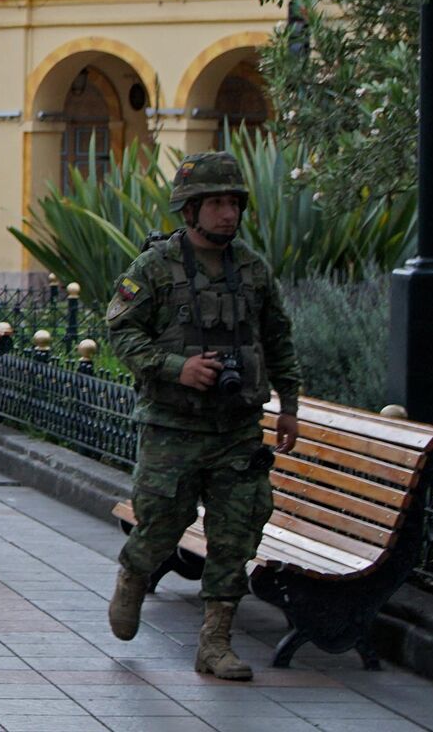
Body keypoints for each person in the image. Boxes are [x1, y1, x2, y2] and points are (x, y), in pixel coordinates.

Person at [106, 151, 300, 681]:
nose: (228, 213)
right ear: (190, 210)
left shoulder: (254, 271)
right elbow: (121, 332)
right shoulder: (154, 269)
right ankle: (134, 572)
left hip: (237, 429)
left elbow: (279, 340)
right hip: (173, 429)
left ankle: (214, 643)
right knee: (162, 527)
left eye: (234, 203)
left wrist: (290, 406)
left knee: (235, 533)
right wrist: (176, 366)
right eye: (215, 203)